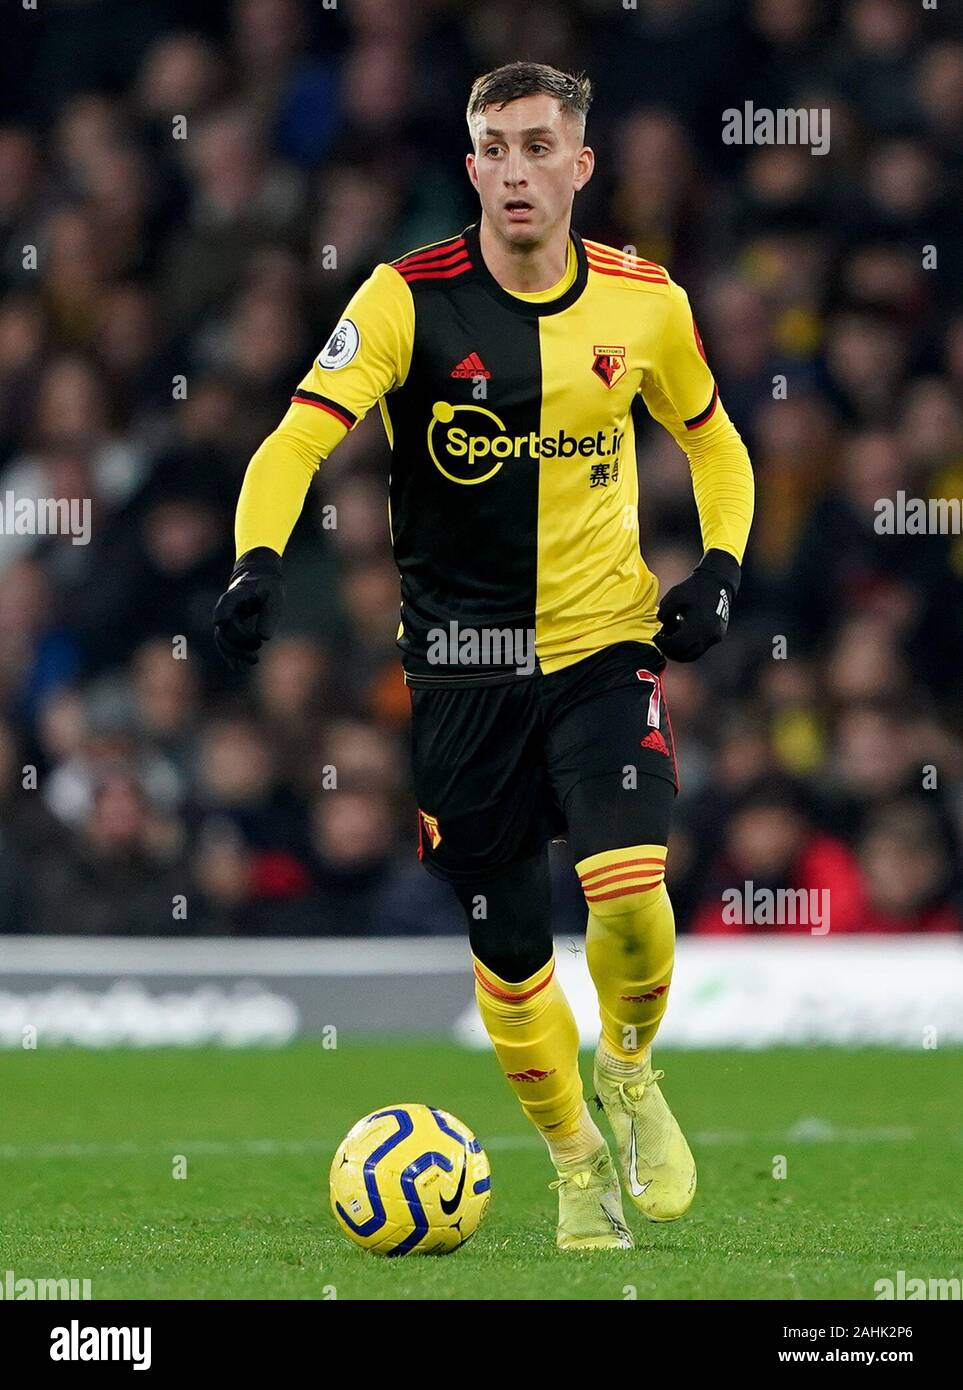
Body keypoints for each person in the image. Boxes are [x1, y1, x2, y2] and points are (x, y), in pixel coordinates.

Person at [213, 62, 754, 1250]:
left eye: (536, 145)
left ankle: (626, 1068)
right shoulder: (406, 298)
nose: (515, 170)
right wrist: (256, 556)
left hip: (606, 640)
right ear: (471, 168)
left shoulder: (646, 301)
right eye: (493, 148)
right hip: (460, 664)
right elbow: (295, 440)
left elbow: (716, 445)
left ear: (580, 165)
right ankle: (574, 1166)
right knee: (509, 948)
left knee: (626, 888)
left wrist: (718, 568)